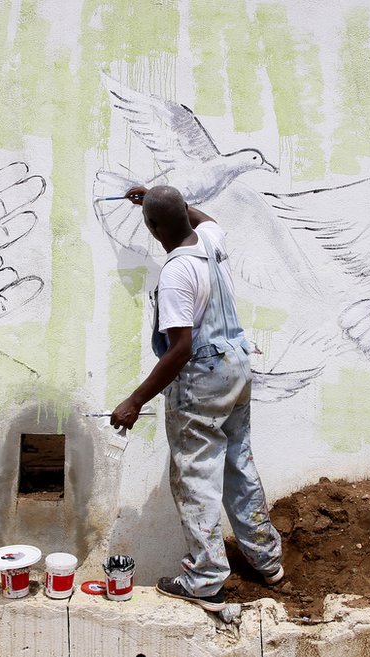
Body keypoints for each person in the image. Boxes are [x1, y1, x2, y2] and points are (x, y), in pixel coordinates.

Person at [110, 184, 283, 612]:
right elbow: (207, 220)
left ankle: (205, 579)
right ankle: (268, 559)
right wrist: (159, 197)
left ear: (152, 227)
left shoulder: (175, 274)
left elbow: (180, 348)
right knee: (237, 461)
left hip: (203, 377)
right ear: (185, 217)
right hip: (237, 367)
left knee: (195, 475)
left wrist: (135, 401)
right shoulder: (208, 239)